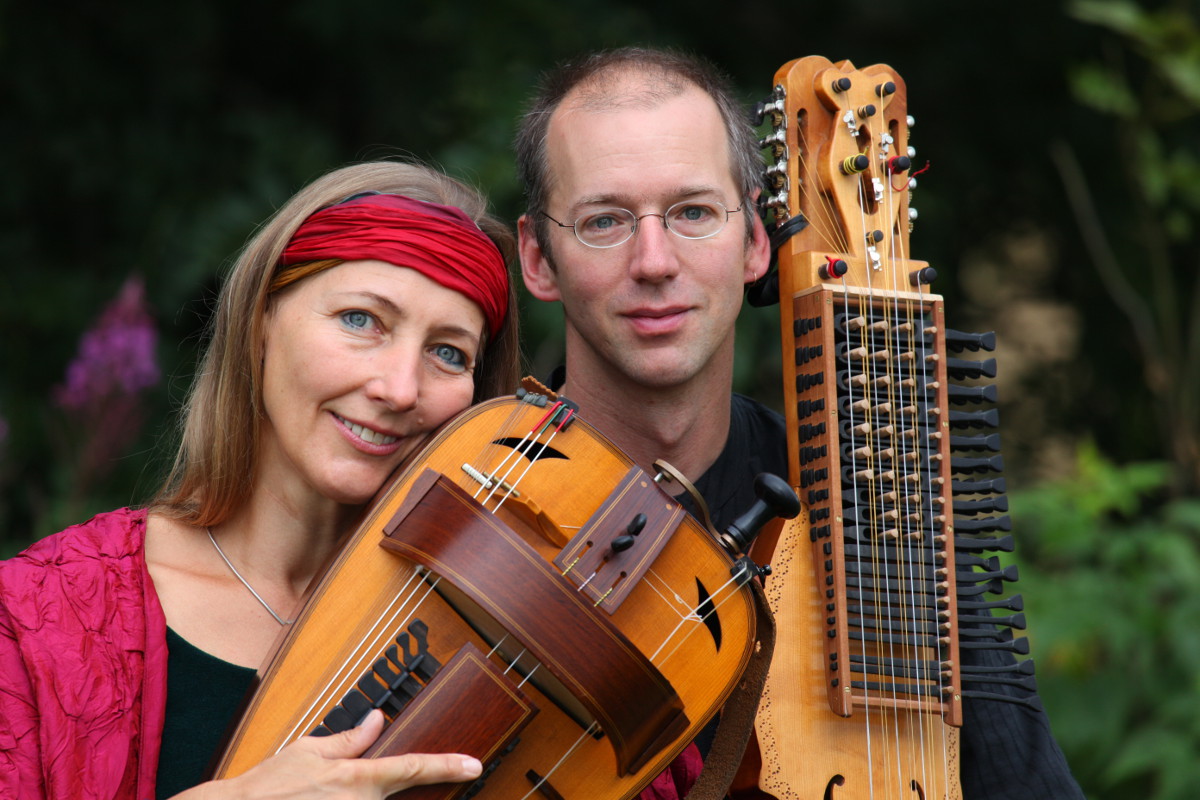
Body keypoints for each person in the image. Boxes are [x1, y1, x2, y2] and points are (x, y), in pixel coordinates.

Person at [515, 47, 1085, 800]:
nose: (653, 260)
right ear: (538, 258)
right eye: (605, 221)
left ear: (756, 241)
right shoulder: (480, 504)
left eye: (692, 212)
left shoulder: (875, 509)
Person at [0, 160, 521, 799]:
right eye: (362, 320)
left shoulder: (505, 633)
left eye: (449, 353)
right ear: (259, 325)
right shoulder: (40, 615)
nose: (399, 388)